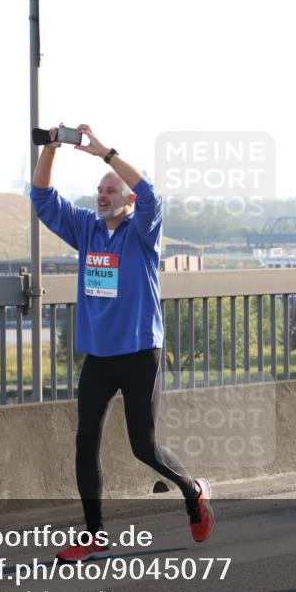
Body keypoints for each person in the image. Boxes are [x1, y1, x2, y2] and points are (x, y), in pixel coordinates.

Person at [30, 123, 214, 563]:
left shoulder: (142, 232)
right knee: (85, 439)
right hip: (99, 356)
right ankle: (94, 536)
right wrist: (53, 149)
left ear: (127, 200)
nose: (102, 194)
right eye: (99, 189)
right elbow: (42, 199)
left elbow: (151, 195)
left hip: (139, 354)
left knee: (142, 446)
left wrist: (104, 154)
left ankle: (193, 491)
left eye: (110, 189)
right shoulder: (87, 230)